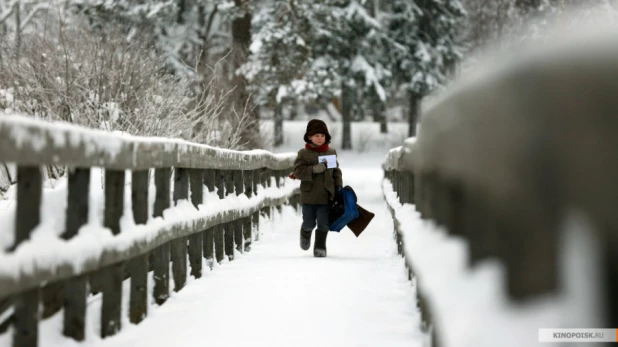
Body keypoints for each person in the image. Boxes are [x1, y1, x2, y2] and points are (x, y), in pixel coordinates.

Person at [292, 119, 343, 257]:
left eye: (322, 136)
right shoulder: (303, 153)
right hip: (309, 195)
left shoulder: (331, 152)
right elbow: (298, 172)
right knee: (309, 222)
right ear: (309, 137)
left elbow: (336, 171)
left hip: (327, 195)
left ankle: (320, 247)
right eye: (316, 136)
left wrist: (338, 186)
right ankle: (305, 232)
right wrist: (314, 169)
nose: (320, 139)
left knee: (323, 223)